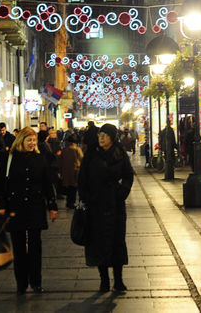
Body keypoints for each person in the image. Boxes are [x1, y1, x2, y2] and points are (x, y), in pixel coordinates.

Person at [0, 126, 58, 294]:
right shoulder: (9, 158)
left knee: (36, 246)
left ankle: (36, 282)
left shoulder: (39, 158)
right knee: (19, 247)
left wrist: (52, 206)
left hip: (35, 207)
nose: (32, 143)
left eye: (34, 140)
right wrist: (0, 206)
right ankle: (21, 283)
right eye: (29, 140)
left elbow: (46, 184)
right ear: (21, 141)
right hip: (16, 208)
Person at [79, 123, 134, 292]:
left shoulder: (120, 153)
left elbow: (128, 175)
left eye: (105, 135)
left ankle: (118, 280)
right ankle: (104, 280)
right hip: (96, 206)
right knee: (99, 242)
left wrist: (121, 192)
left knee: (117, 242)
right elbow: (82, 178)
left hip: (116, 205)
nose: (101, 138)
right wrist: (87, 197)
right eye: (100, 135)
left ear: (112, 137)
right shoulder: (91, 154)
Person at [59, 133, 83, 209]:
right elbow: (82, 158)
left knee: (69, 188)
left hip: (66, 171)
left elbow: (60, 161)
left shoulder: (64, 150)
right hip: (75, 171)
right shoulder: (77, 149)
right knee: (73, 188)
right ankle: (71, 203)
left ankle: (68, 202)